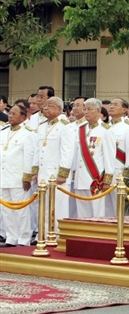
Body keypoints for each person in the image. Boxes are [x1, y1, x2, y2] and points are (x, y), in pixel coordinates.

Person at [32, 97, 74, 234]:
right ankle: (42, 234)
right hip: (43, 173)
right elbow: (37, 150)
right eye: (45, 105)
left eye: (50, 106)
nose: (45, 108)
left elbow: (67, 151)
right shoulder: (43, 125)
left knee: (58, 206)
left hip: (56, 173)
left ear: (59, 109)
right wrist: (35, 171)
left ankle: (57, 235)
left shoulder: (65, 126)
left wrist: (63, 174)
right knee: (43, 206)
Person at [73, 98, 116, 218]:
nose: (86, 112)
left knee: (97, 211)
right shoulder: (80, 128)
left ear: (98, 111)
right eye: (84, 109)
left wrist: (107, 179)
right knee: (82, 211)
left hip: (95, 178)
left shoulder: (106, 130)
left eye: (89, 109)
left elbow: (109, 156)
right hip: (80, 177)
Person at [0, 105, 35, 247]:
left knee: (21, 210)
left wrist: (27, 177)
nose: (10, 115)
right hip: (3, 176)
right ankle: (11, 237)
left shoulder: (28, 133)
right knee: (6, 210)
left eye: (14, 113)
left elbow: (29, 156)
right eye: (10, 113)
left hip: (18, 178)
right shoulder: (3, 131)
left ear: (23, 117)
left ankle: (24, 238)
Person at [106, 98, 129, 216]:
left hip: (118, 172)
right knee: (105, 207)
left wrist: (127, 176)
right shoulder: (105, 126)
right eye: (111, 104)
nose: (111, 106)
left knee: (119, 207)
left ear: (124, 110)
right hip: (104, 172)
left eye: (115, 104)